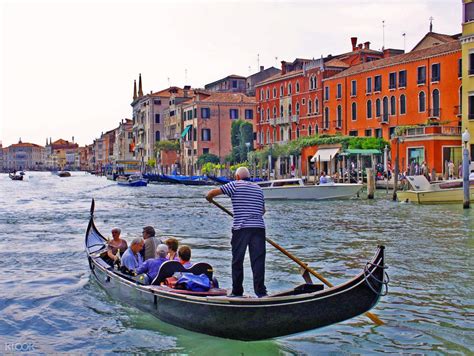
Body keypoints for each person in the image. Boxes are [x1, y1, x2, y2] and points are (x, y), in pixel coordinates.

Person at [206, 166, 267, 298]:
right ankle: (261, 292)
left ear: (237, 177)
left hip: (241, 228)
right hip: (259, 227)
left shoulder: (235, 185)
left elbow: (211, 193)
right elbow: (263, 211)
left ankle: (237, 291)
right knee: (258, 262)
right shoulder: (258, 188)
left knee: (237, 260)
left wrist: (209, 198)